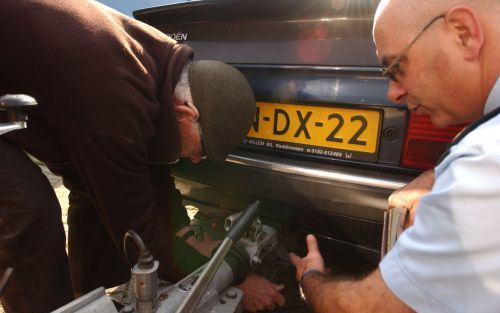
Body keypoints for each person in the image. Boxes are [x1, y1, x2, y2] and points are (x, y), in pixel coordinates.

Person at [0, 0, 285, 312]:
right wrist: (229, 277)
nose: (195, 160)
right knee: (26, 210)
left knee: (92, 198)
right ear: (186, 113)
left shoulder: (161, 70)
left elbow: (153, 180)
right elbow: (136, 227)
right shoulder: (116, 96)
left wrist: (188, 239)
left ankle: (98, 303)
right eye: (201, 150)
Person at [290, 0, 500, 312]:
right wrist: (436, 176)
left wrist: (310, 278)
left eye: (397, 68)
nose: (393, 94)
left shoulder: (483, 165)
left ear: (463, 33)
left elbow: (362, 308)